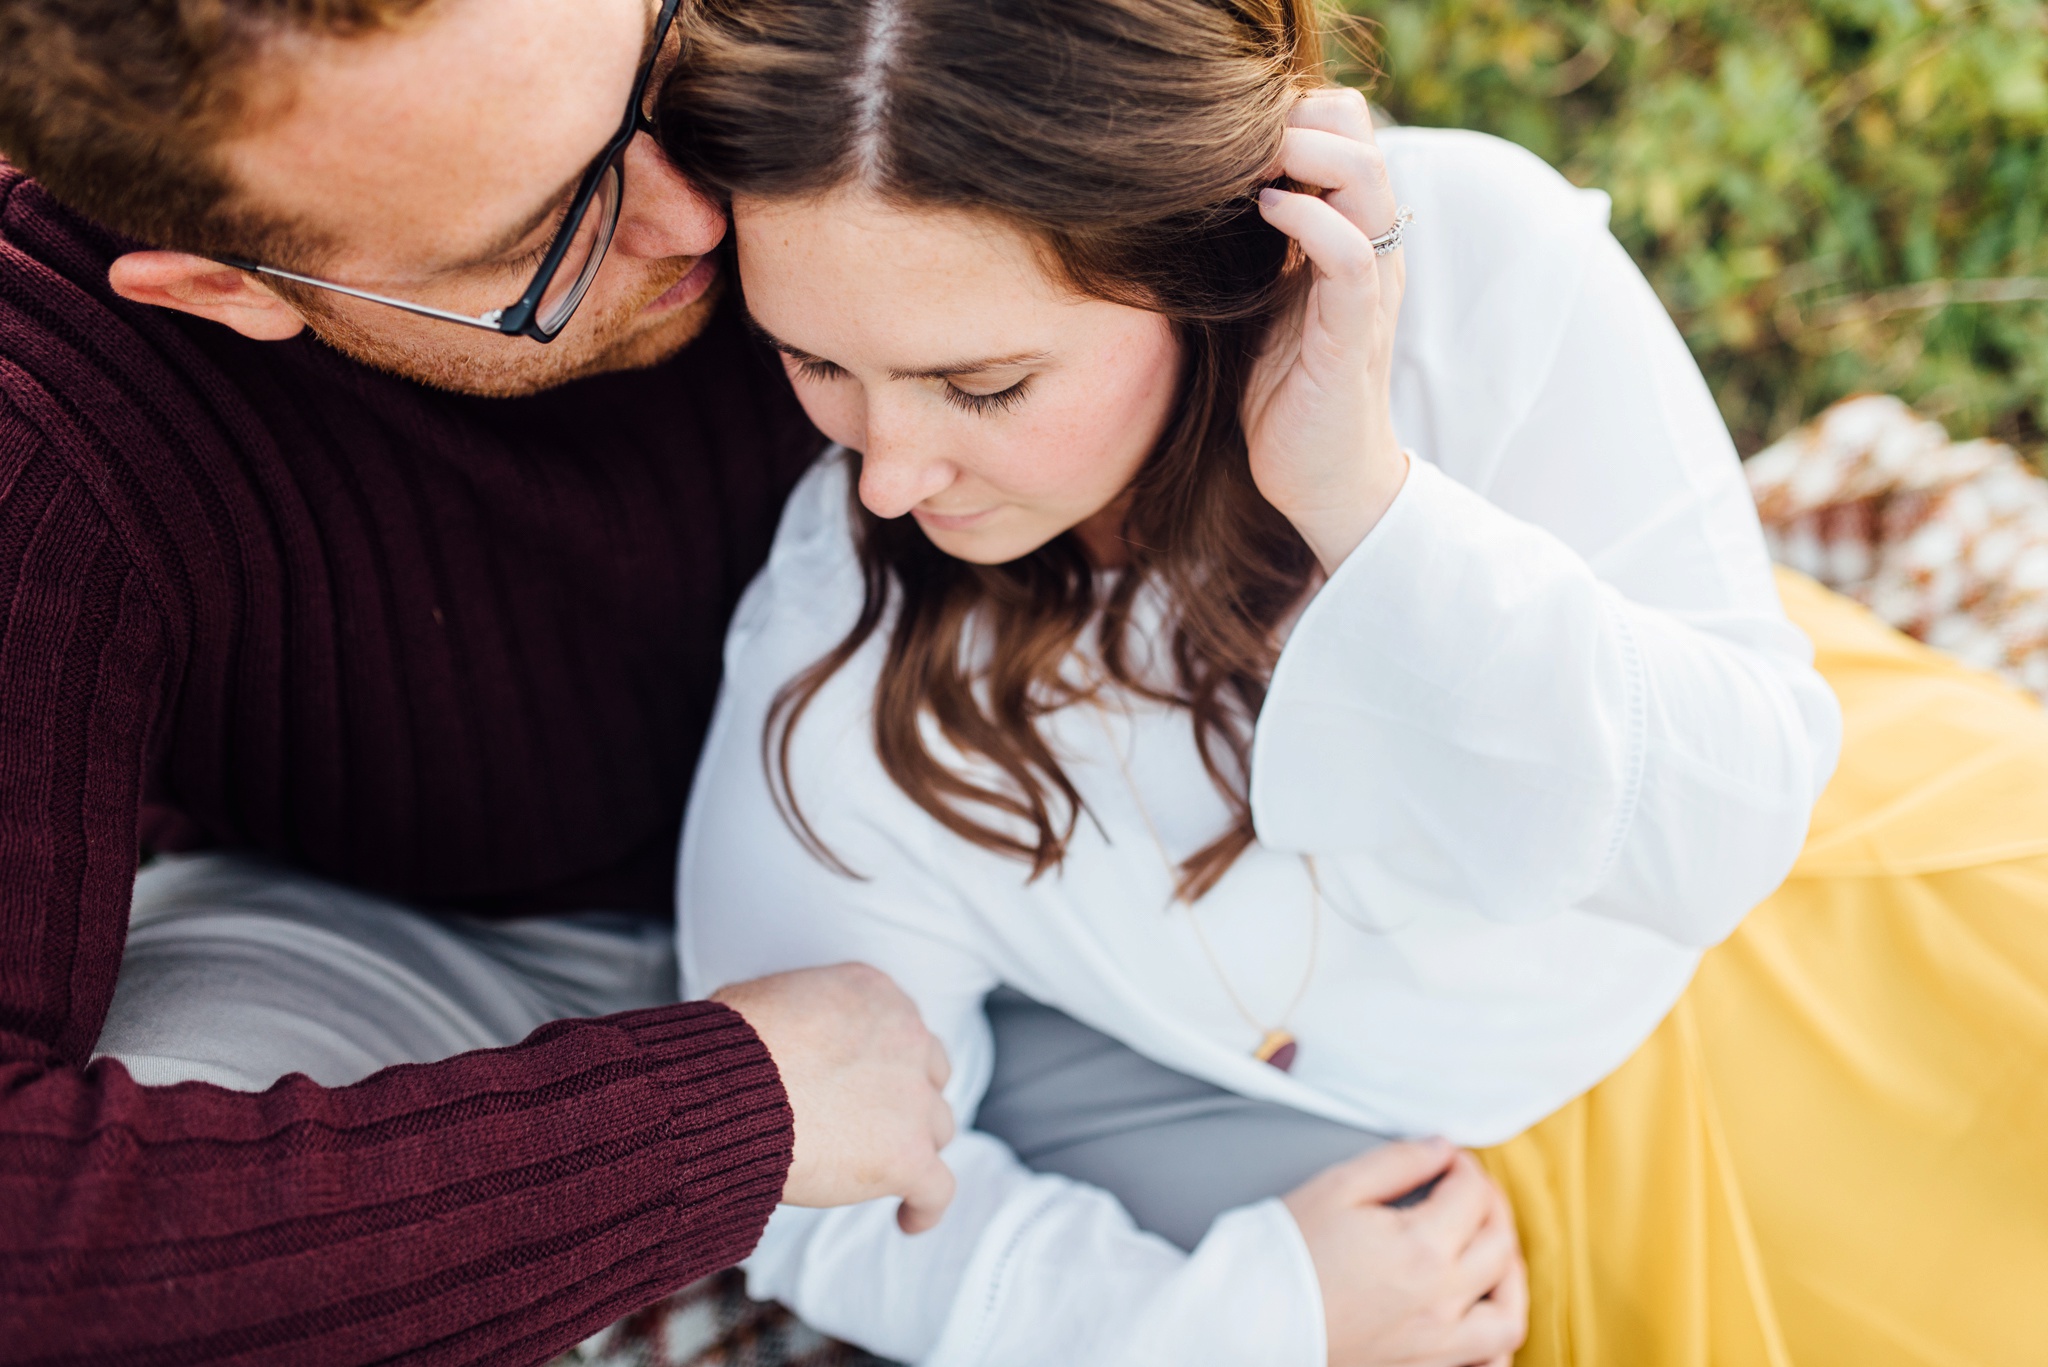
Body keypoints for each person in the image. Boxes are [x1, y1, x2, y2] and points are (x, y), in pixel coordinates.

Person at [667, 0, 2048, 1364]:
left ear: (1213, 252)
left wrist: (1362, 498)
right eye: (815, 360)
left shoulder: (1479, 259)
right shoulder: (840, 669)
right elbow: (806, 1177)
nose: (888, 474)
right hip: (1475, 1168)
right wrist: (1243, 1319)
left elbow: (1724, 833)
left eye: (983, 385)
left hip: (1808, 847)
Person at [0, 2, 963, 1361]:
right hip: (424, 934)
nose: (693, 219)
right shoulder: (39, 422)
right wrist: (711, 1125)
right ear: (233, 288)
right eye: (541, 242)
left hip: (992, 830)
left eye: (655, 78)